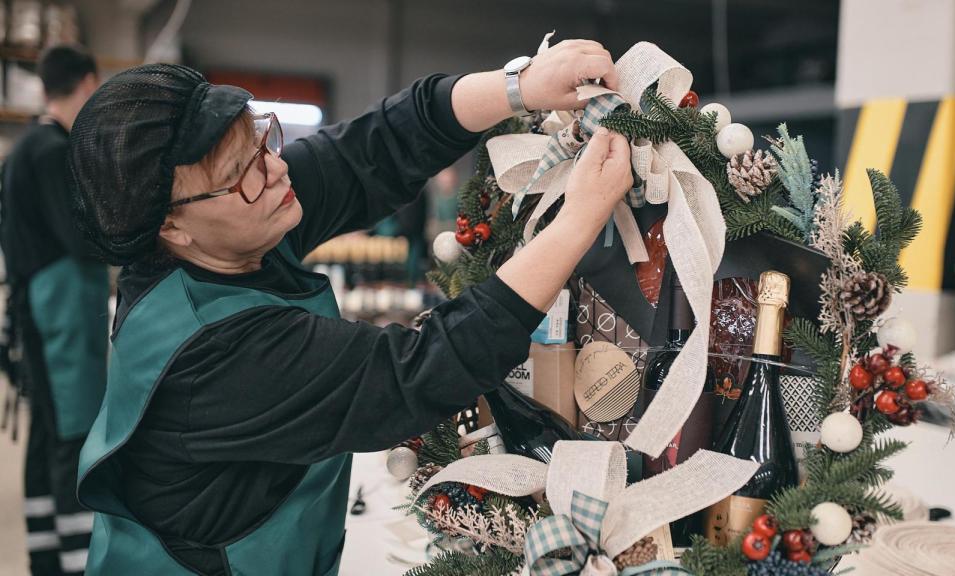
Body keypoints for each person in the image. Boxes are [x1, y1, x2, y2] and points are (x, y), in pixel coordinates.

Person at [68, 39, 632, 575]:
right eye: (240, 174)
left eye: (262, 140)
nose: (276, 169)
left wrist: (523, 85)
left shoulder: (235, 227)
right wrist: (577, 221)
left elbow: (373, 149)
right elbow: (420, 371)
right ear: (172, 226)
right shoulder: (213, 358)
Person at [0, 45, 104, 576]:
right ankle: (76, 562)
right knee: (73, 437)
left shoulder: (25, 147)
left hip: (38, 313)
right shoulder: (52, 150)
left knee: (46, 436)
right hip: (59, 314)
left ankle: (45, 557)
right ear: (88, 83)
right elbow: (82, 240)